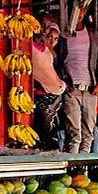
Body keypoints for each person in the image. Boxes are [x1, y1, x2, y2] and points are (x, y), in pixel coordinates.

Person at [55, 2, 98, 153]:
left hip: (90, 89)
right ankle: (73, 171)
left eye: (82, 10)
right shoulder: (63, 35)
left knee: (88, 134)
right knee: (74, 133)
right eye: (76, 10)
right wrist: (63, 82)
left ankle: (84, 173)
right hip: (72, 89)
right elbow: (56, 61)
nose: (79, 13)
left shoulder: (93, 34)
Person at [31, 19, 67, 151]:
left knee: (51, 131)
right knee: (43, 131)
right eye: (49, 37)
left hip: (56, 94)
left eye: (56, 39)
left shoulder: (49, 52)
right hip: (42, 95)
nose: (52, 41)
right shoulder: (31, 48)